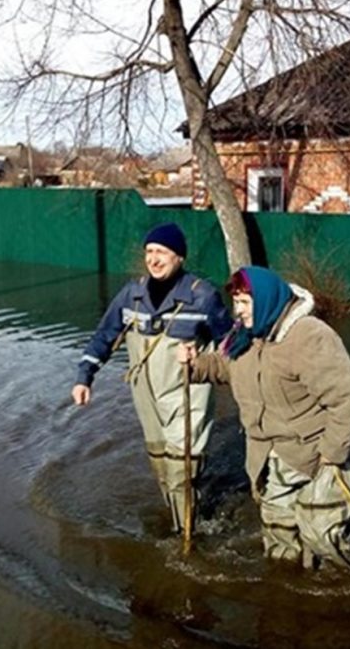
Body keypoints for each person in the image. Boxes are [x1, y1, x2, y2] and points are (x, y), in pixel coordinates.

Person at [179, 266, 350, 568]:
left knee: (322, 536)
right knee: (280, 539)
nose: (238, 311)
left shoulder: (308, 336)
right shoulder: (244, 336)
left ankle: (347, 592)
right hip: (271, 455)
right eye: (236, 302)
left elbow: (349, 397)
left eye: (245, 302)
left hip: (320, 454)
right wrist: (195, 365)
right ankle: (288, 595)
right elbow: (225, 366)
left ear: (266, 299)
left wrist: (332, 454)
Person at [71, 222, 232, 533]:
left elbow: (230, 346)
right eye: (149, 252)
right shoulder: (132, 294)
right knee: (161, 465)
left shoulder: (204, 297)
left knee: (181, 469)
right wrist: (84, 377)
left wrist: (217, 366)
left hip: (187, 393)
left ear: (179, 257)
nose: (154, 259)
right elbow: (104, 336)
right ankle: (180, 521)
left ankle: (189, 535)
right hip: (145, 393)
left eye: (162, 252)